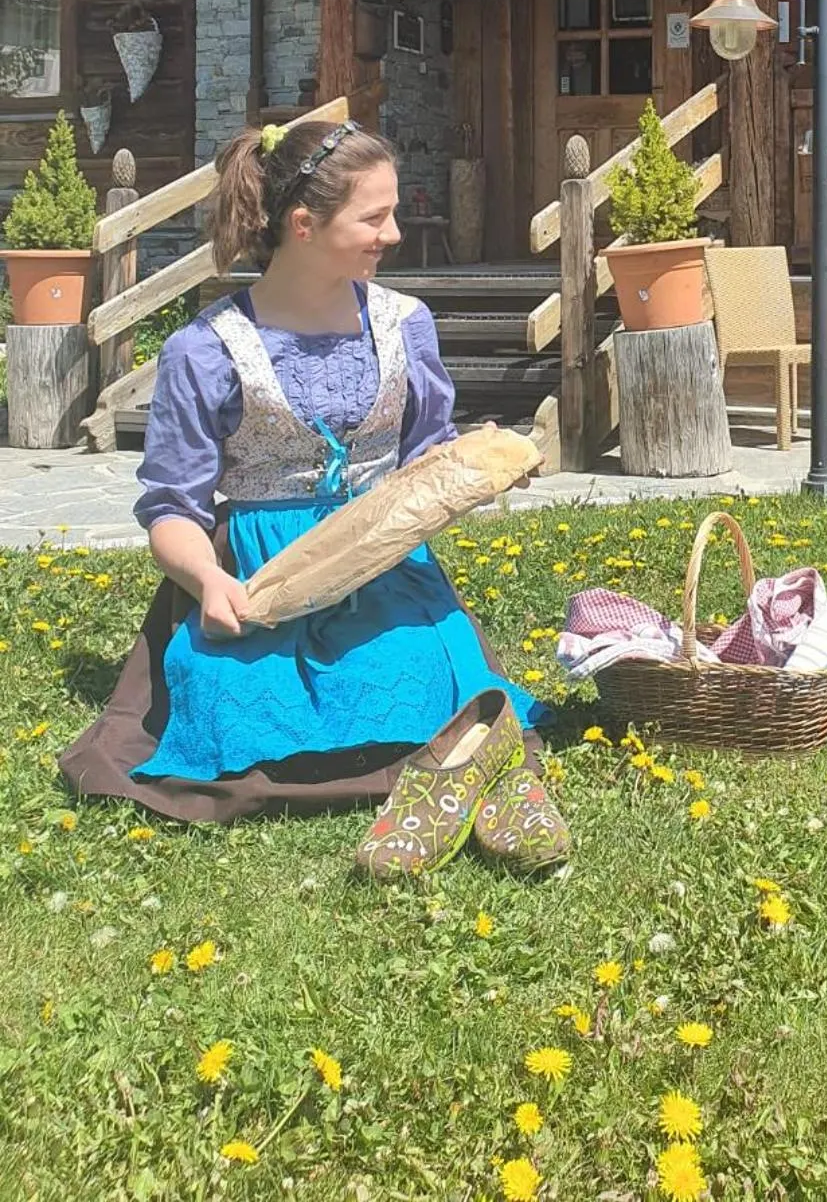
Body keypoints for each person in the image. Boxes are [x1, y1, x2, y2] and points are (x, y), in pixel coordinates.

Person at [60, 119, 569, 874]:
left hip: (382, 566)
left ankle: (450, 770)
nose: (392, 234)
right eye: (374, 217)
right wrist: (209, 584)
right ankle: (436, 774)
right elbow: (171, 506)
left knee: (424, 681)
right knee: (234, 716)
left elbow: (424, 460)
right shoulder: (206, 350)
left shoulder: (404, 326)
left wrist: (481, 463)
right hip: (263, 580)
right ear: (303, 225)